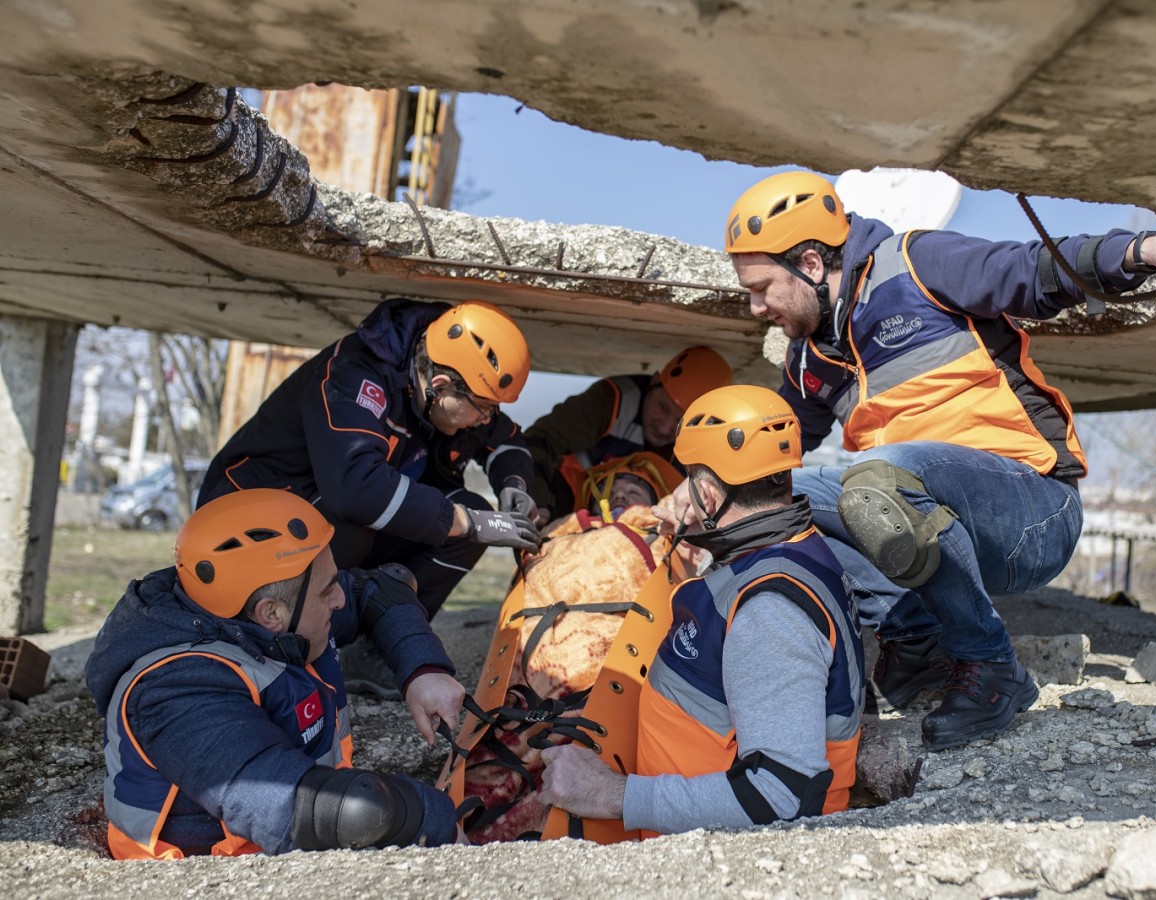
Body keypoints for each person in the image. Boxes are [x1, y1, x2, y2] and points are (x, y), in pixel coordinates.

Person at [718, 171, 1156, 750]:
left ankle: (992, 668)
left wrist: (1139, 251)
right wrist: (698, 494)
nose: (756, 306)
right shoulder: (807, 357)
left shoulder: (915, 264)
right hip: (923, 517)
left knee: (874, 480)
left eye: (761, 287)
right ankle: (917, 647)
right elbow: (770, 452)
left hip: (1031, 514)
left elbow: (1030, 269)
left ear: (811, 264)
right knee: (778, 503)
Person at [538, 385, 865, 836]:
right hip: (675, 819)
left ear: (708, 495)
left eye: (690, 478)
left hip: (705, 855)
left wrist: (611, 794)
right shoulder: (793, 549)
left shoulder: (770, 610)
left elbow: (779, 797)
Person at [84, 489, 468, 859]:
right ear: (271, 614)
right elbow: (291, 807)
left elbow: (383, 588)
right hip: (203, 875)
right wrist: (434, 819)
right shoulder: (176, 690)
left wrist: (423, 668)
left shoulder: (278, 610)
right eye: (329, 589)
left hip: (301, 822)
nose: (340, 598)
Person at [198, 299, 544, 696]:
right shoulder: (352, 377)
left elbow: (505, 439)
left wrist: (514, 485)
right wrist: (469, 523)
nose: (485, 419)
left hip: (325, 512)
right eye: (482, 408)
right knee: (371, 524)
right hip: (242, 524)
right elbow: (356, 489)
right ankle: (285, 648)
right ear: (442, 386)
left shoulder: (445, 386)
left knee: (465, 520)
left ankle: (374, 648)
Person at [524, 345, 733, 519]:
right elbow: (540, 441)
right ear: (653, 382)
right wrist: (539, 504)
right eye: (663, 408)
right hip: (567, 506)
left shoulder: (704, 444)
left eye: (681, 421)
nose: (664, 428)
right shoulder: (610, 401)